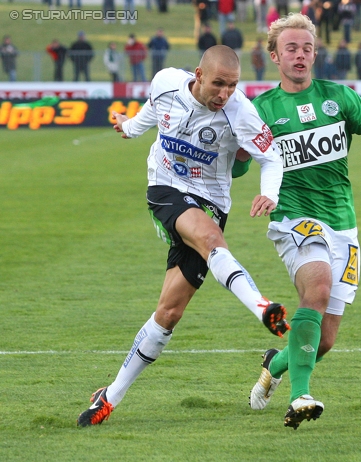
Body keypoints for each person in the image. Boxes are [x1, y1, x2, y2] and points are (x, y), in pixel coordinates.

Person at [76, 45, 288, 427]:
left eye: (233, 86)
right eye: (219, 84)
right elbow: (147, 118)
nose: (225, 94)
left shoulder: (240, 111)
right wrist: (126, 126)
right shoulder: (166, 83)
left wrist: (269, 193)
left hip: (213, 201)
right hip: (165, 189)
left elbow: (271, 157)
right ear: (199, 75)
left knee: (169, 313)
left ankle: (108, 396)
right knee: (209, 240)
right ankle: (261, 307)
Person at [248, 13, 361, 430]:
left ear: (315, 53)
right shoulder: (260, 109)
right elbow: (237, 168)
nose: (300, 55)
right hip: (293, 219)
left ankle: (276, 364)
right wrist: (242, 156)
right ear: (274, 56)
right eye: (291, 49)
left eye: (306, 48)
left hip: (343, 223)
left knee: (325, 339)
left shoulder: (340, 97)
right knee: (316, 288)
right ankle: (301, 397)